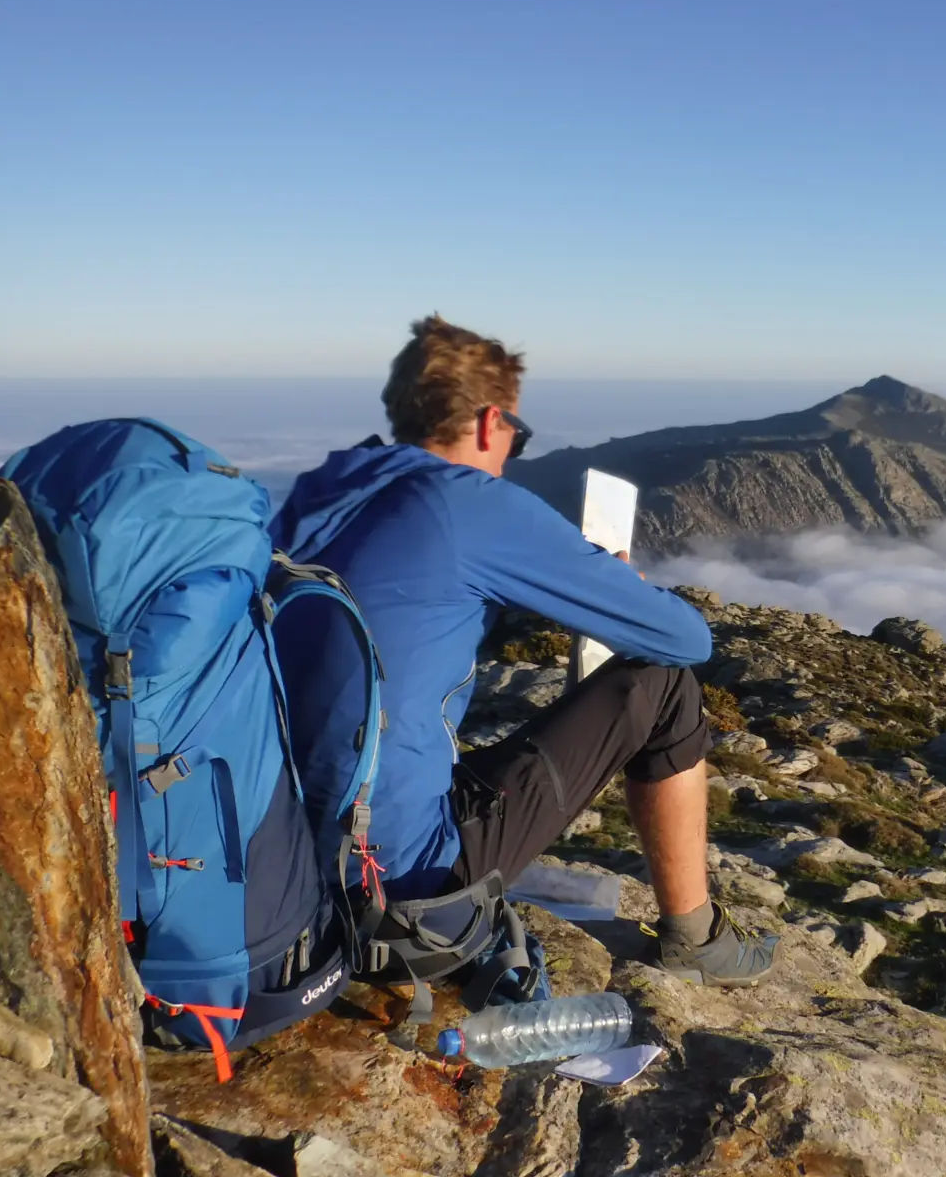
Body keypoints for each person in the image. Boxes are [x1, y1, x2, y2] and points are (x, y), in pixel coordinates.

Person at [271, 315, 776, 986]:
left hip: (275, 873)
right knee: (662, 684)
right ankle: (696, 938)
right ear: (488, 423)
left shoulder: (318, 496)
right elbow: (685, 638)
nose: (511, 451)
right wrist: (614, 586)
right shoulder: (467, 504)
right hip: (392, 892)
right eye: (517, 432)